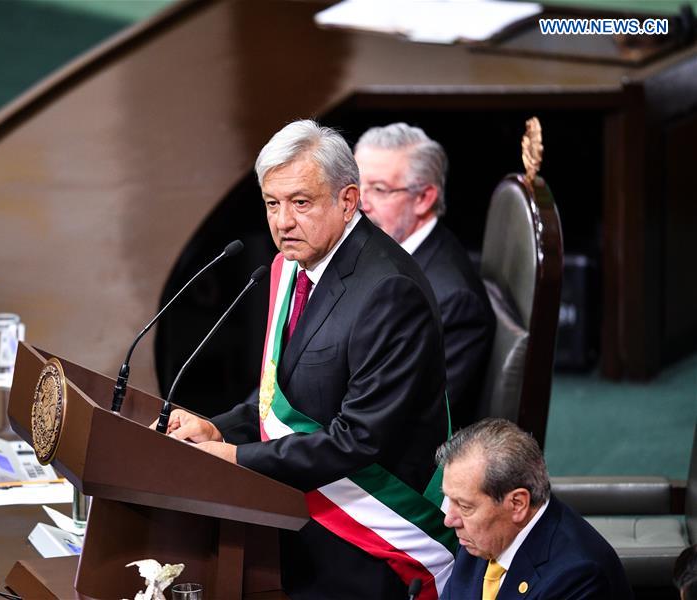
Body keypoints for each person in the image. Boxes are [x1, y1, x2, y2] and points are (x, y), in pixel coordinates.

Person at [159, 120, 455, 599]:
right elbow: (280, 393)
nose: (282, 222)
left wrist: (236, 458)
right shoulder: (295, 266)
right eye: (272, 204)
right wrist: (218, 429)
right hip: (302, 506)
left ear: (347, 200)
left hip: (369, 535)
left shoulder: (389, 291)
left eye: (300, 202)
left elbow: (359, 439)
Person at [354, 123, 494, 428]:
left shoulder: (454, 301)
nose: (360, 204)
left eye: (379, 189)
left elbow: (408, 421)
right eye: (356, 185)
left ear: (424, 198)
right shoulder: (379, 252)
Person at [437, 418, 633, 599]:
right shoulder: (479, 540)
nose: (449, 519)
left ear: (517, 504)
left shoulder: (577, 576)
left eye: (464, 506)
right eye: (449, 500)